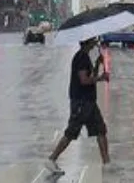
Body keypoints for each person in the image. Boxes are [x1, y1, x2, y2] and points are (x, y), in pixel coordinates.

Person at [45, 36, 110, 174]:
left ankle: (107, 163)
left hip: (89, 102)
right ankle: (51, 159)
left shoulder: (85, 57)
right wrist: (101, 78)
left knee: (101, 130)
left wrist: (98, 64)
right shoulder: (81, 57)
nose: (95, 42)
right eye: (93, 40)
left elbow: (90, 76)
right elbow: (85, 81)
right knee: (71, 133)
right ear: (88, 42)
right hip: (81, 102)